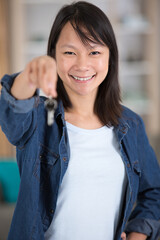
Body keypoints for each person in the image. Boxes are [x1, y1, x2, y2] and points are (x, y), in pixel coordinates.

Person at [0, 1, 160, 240]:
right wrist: (30, 74)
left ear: (110, 58)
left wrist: (138, 235)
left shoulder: (131, 124)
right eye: (69, 52)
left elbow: (154, 192)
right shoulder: (40, 119)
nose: (82, 65)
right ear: (53, 54)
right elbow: (14, 109)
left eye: (94, 52)